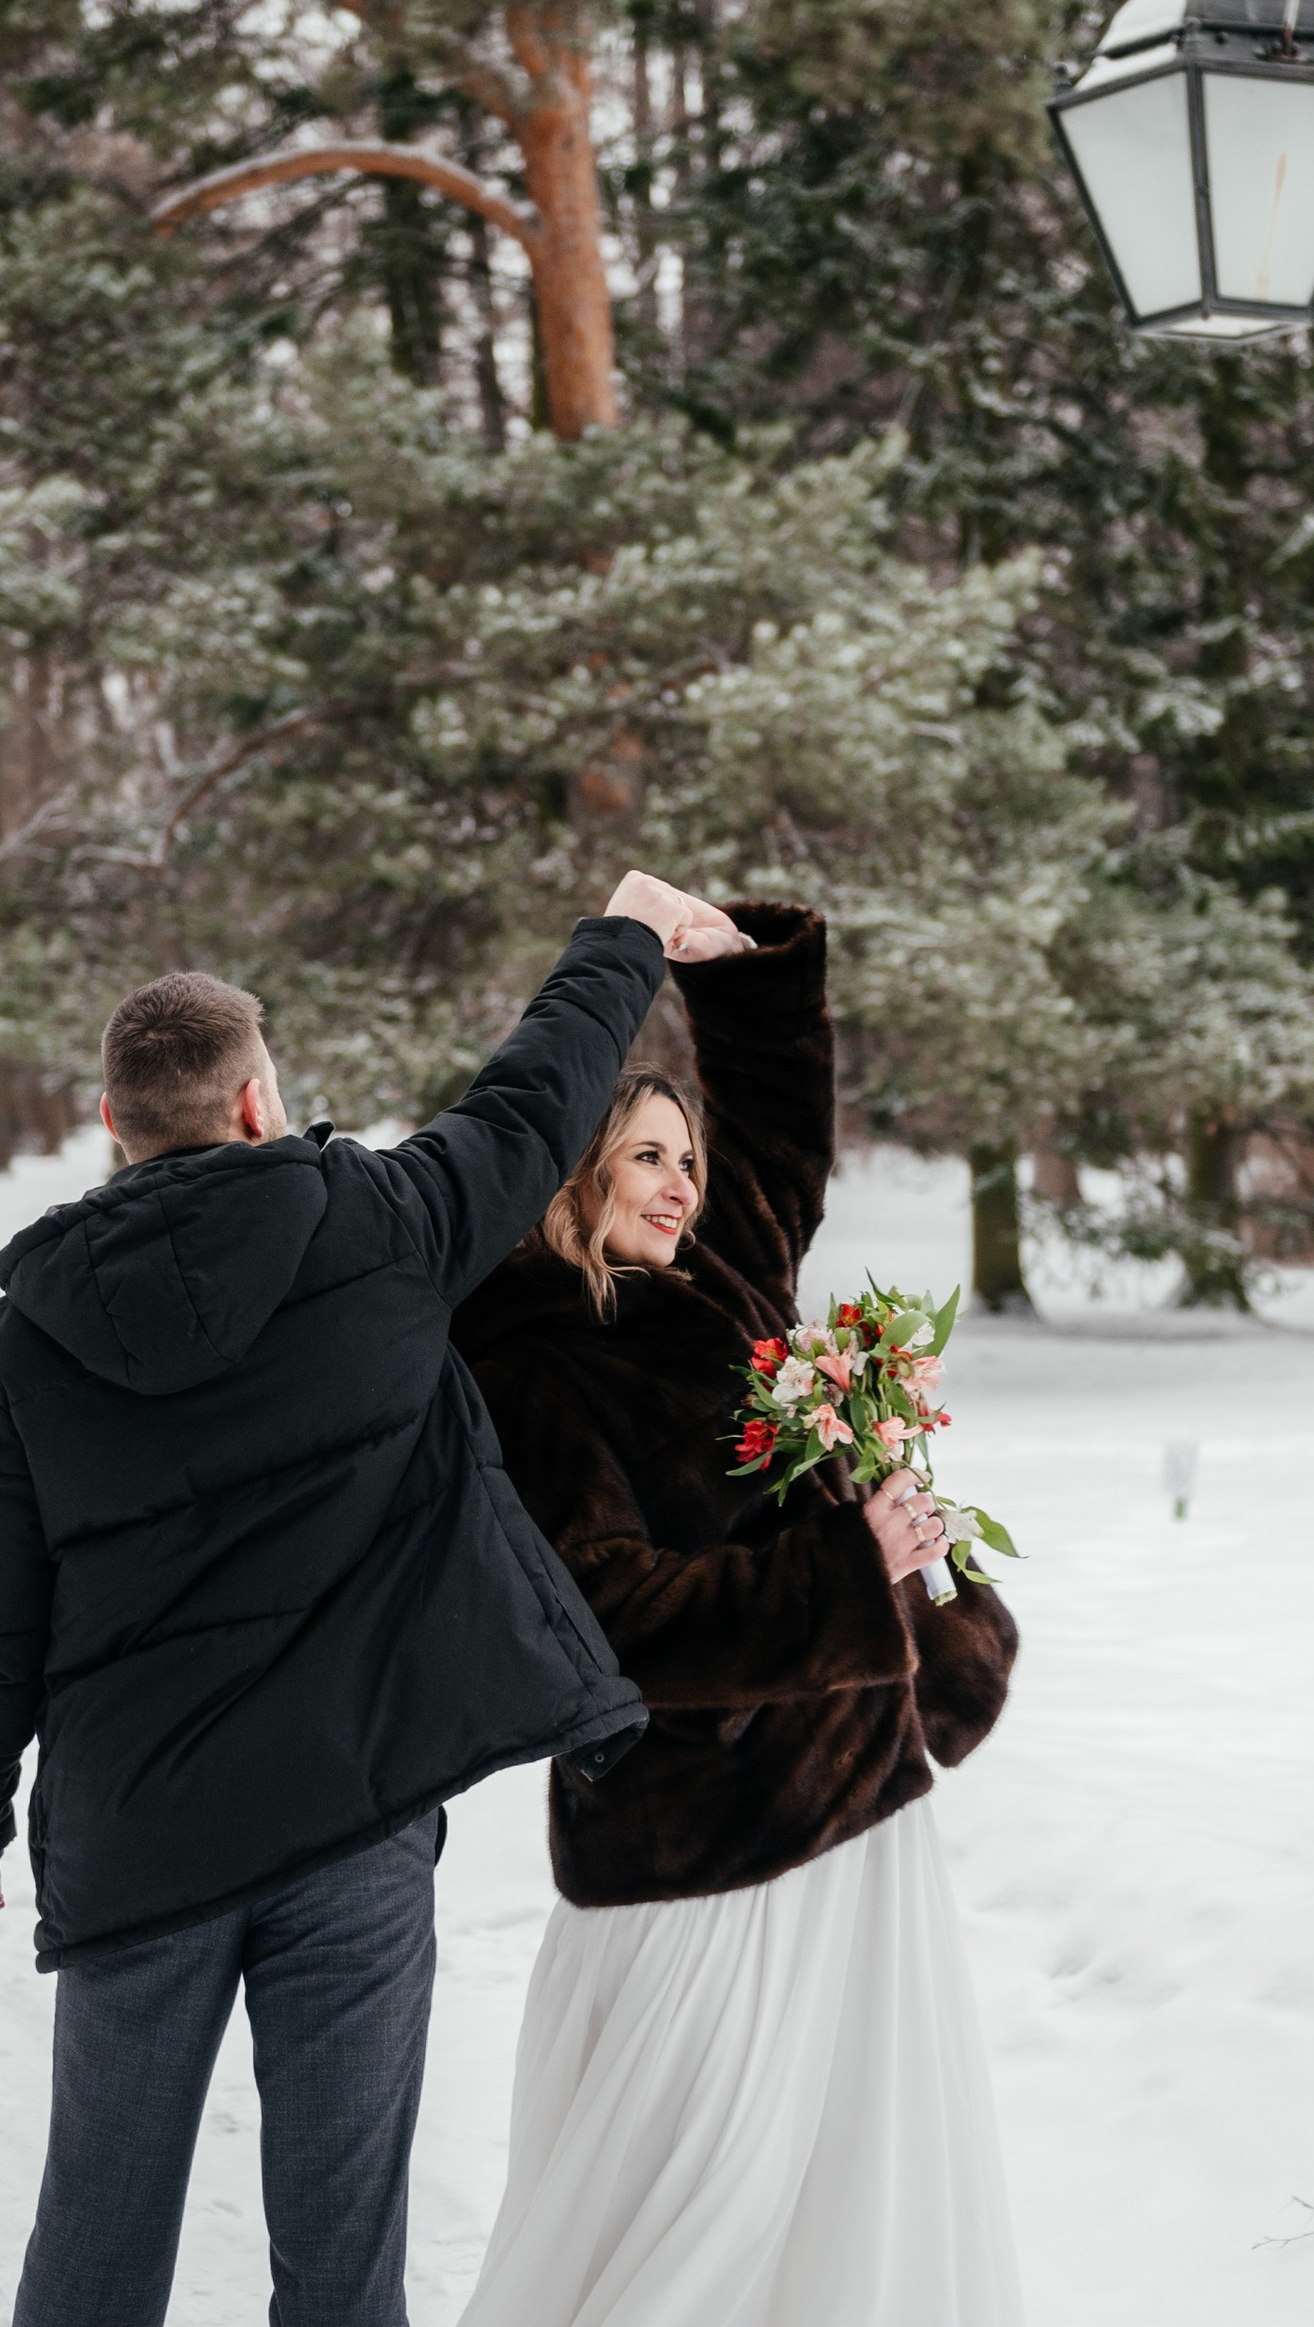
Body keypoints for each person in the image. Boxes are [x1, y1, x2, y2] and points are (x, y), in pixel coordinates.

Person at [0, 872, 749, 2327]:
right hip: (352, 1831)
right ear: (255, 1106)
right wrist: (621, 934)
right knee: (342, 2255)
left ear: (114, 1126)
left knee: (97, 2241)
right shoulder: (380, 1227)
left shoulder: (11, 1346)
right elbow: (538, 1101)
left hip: (138, 1847)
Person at [450, 899, 1024, 2327]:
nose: (680, 1183)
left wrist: (745, 974)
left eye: (685, 1159)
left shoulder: (724, 1297)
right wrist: (839, 1577)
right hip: (697, 1852)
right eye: (645, 1155)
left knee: (854, 2191)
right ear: (575, 1173)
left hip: (849, 1807)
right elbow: (604, 1612)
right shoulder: (536, 1358)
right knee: (683, 2210)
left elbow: (780, 1146)